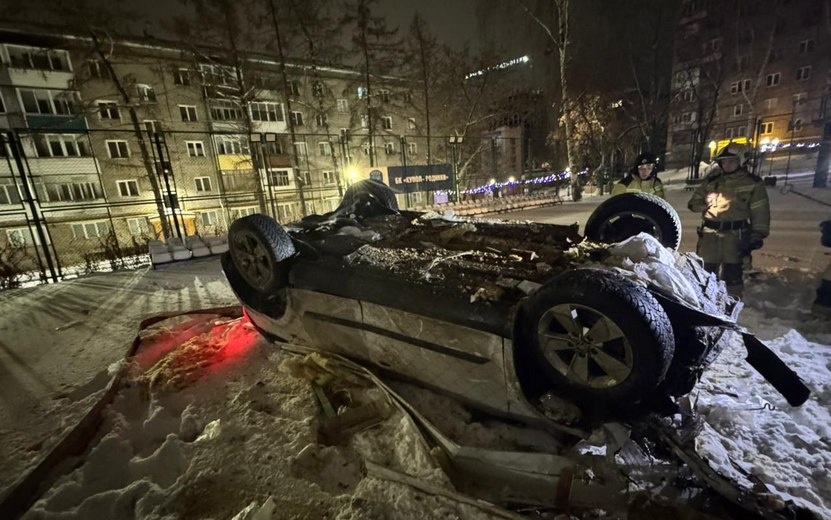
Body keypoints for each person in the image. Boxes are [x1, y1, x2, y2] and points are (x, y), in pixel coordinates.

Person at [688, 142, 770, 297]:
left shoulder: (752, 183)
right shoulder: (711, 181)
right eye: (724, 162)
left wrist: (757, 234)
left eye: (732, 161)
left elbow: (760, 211)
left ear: (742, 161)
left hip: (735, 237)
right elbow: (693, 204)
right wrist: (705, 202)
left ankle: (731, 303)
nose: (727, 165)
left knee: (733, 276)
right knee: (705, 273)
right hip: (709, 237)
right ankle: (704, 302)